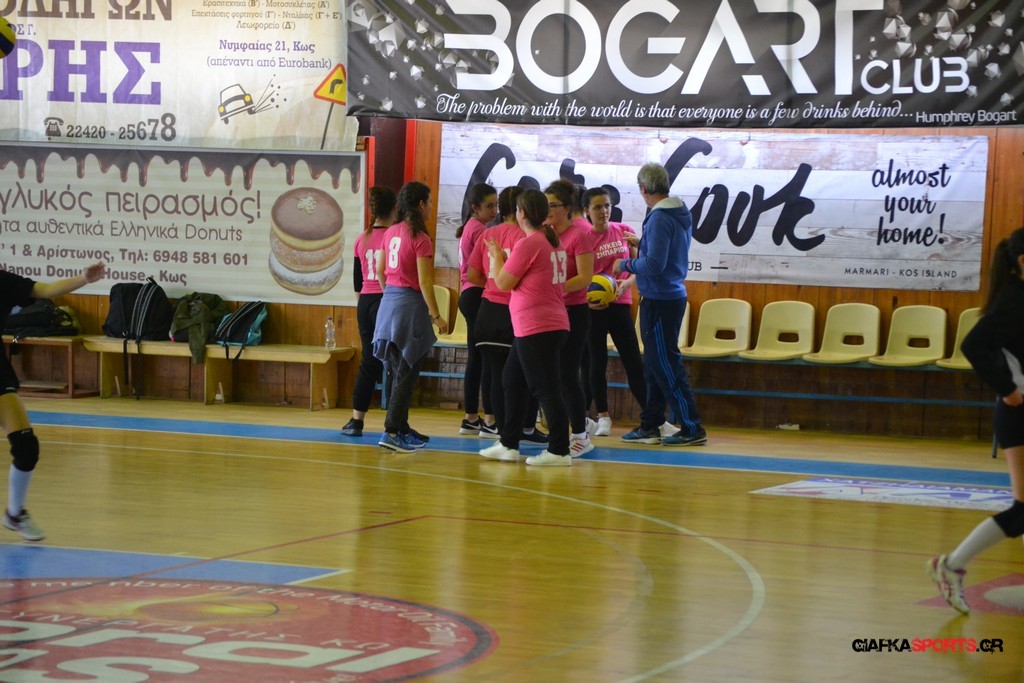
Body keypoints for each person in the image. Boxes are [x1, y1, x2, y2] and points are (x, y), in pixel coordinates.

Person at [928, 227, 1024, 614]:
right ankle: (950, 566)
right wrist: (1008, 389)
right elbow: (974, 345)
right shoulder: (1014, 299)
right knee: (1022, 510)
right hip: (1019, 413)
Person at [2, 262, 106, 541]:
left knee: (26, 446)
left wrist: (83, 279)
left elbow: (45, 289)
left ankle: (15, 513)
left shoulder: (3, 281)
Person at [613, 162, 706, 446]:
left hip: (660, 299)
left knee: (666, 365)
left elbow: (654, 264)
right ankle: (650, 424)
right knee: (654, 365)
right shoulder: (678, 211)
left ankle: (692, 426)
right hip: (669, 296)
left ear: (643, 188)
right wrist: (643, 243)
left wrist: (624, 264)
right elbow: (666, 251)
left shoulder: (659, 218)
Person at [480, 189, 572, 467]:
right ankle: (509, 443)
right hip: (538, 326)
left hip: (538, 326)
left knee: (546, 388)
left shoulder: (531, 243)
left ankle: (559, 450)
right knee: (512, 380)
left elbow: (502, 283)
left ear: (522, 213)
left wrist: (497, 256)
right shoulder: (551, 240)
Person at [467, 186, 547, 448]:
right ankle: (524, 428)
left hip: (488, 310)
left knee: (495, 375)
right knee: (525, 375)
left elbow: (473, 275)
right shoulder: (528, 236)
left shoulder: (488, 234)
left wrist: (493, 285)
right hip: (516, 313)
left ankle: (501, 432)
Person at [372, 181, 448, 453]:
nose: (431, 207)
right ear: (421, 204)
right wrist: (437, 316)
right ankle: (392, 431)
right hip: (409, 307)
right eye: (430, 202)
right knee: (406, 372)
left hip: (389, 304)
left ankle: (401, 427)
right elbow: (425, 282)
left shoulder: (390, 231)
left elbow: (379, 271)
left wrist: (391, 296)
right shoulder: (420, 238)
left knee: (395, 370)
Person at [582, 186, 646, 436]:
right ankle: (603, 417)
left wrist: (628, 283)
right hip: (594, 308)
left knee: (633, 361)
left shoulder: (624, 231)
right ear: (587, 211)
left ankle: (651, 416)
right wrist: (586, 300)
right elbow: (577, 276)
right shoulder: (583, 238)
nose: (604, 211)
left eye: (607, 205)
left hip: (620, 305)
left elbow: (640, 265)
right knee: (596, 363)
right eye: (597, 207)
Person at [544, 179, 596, 457]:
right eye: (546, 205)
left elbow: (585, 277)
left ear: (567, 208)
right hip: (550, 312)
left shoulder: (579, 235)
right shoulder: (545, 234)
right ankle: (557, 431)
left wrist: (556, 287)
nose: (549, 210)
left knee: (568, 373)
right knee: (551, 375)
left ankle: (580, 434)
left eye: (553, 205)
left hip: (574, 311)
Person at [342, 186, 397, 437]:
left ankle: (356, 420)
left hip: (365, 301)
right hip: (386, 299)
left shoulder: (361, 238)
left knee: (369, 361)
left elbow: (357, 280)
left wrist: (364, 303)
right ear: (394, 209)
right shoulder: (393, 237)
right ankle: (395, 423)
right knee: (395, 361)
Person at [456, 183, 498, 437]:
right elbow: (484, 269)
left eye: (496, 205)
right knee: (486, 359)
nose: (494, 210)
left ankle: (471, 417)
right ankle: (490, 420)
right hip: (476, 294)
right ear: (475, 207)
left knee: (477, 358)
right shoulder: (480, 230)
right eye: (489, 206)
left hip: (468, 294)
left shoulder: (470, 227)